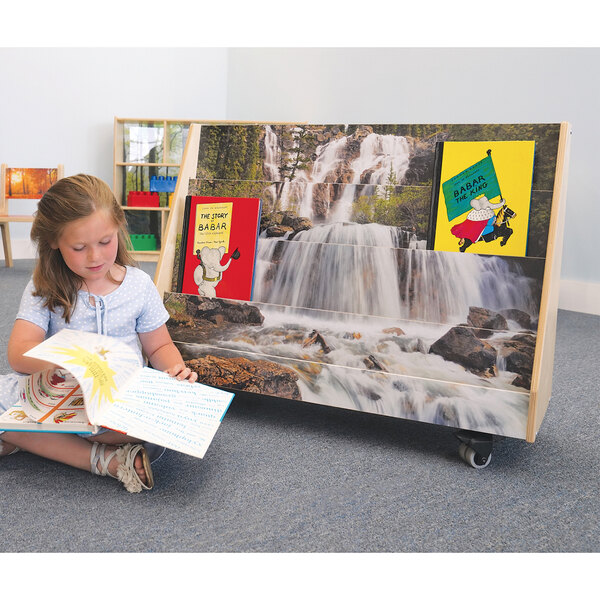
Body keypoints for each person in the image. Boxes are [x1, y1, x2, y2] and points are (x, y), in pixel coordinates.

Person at [0, 174, 197, 492]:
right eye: (79, 247)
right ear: (54, 241)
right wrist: (65, 366)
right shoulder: (44, 287)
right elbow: (19, 350)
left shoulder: (138, 286)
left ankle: (34, 440)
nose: (95, 257)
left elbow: (159, 346)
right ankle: (109, 461)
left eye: (105, 242)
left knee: (164, 428)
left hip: (119, 406)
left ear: (119, 228)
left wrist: (174, 370)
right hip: (62, 396)